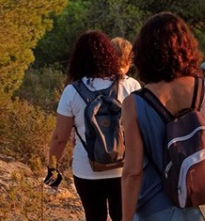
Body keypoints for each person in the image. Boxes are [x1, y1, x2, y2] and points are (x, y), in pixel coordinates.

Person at [122, 12, 205, 221]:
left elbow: (133, 172)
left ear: (144, 53)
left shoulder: (134, 103)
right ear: (186, 47)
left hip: (156, 209)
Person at [47, 31, 141, 221]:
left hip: (86, 169)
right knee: (123, 216)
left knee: (94, 216)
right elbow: (142, 129)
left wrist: (52, 167)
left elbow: (59, 138)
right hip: (123, 167)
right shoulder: (130, 86)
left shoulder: (72, 91)